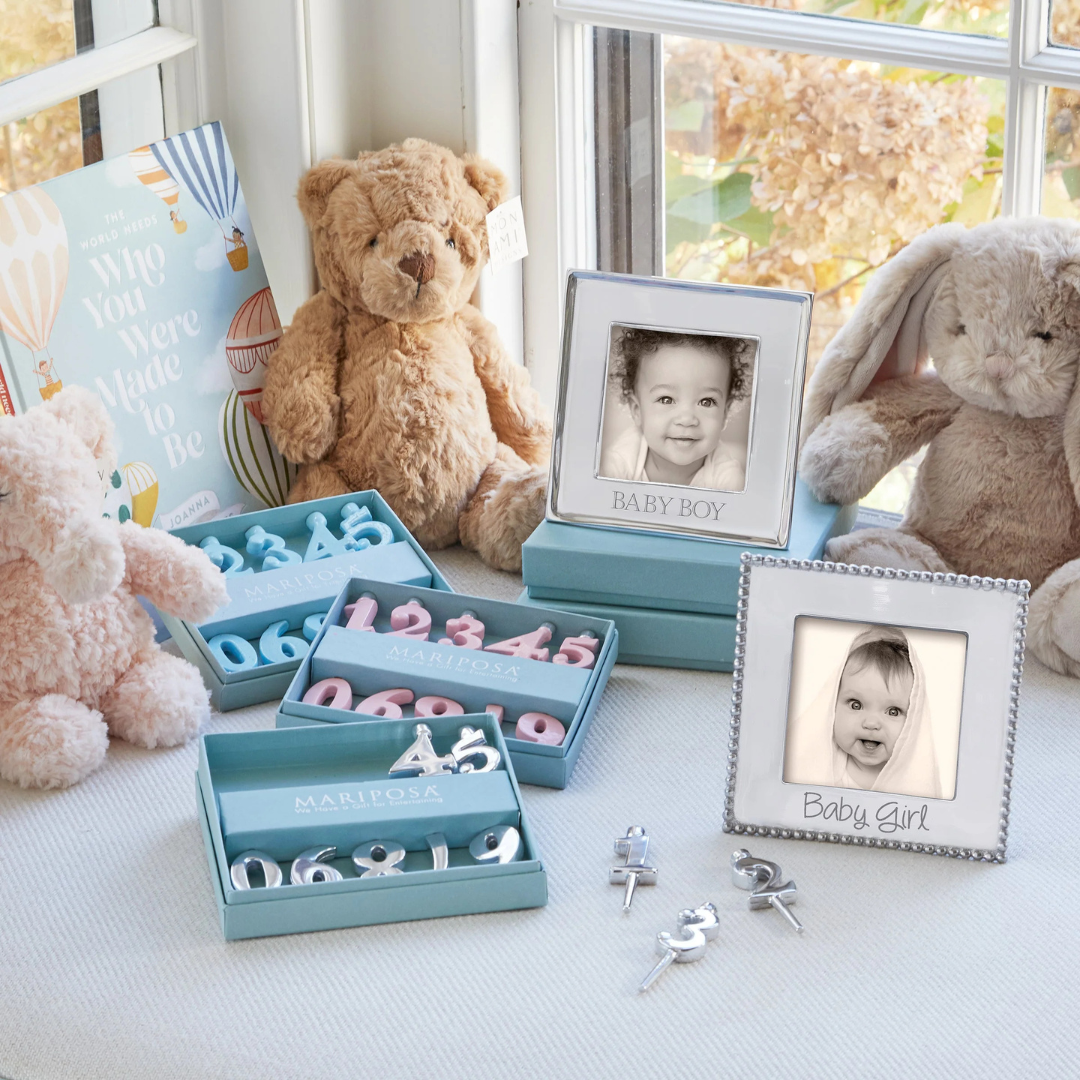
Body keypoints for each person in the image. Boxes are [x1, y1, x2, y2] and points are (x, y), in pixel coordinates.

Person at [784, 624, 943, 799]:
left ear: (915, 721)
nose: (871, 724)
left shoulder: (917, 787)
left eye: (893, 711)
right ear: (831, 706)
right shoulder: (815, 773)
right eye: (856, 705)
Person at [600, 328, 751, 490]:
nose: (686, 419)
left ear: (724, 413)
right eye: (666, 399)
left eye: (706, 401)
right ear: (637, 410)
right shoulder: (617, 464)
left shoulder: (729, 481)